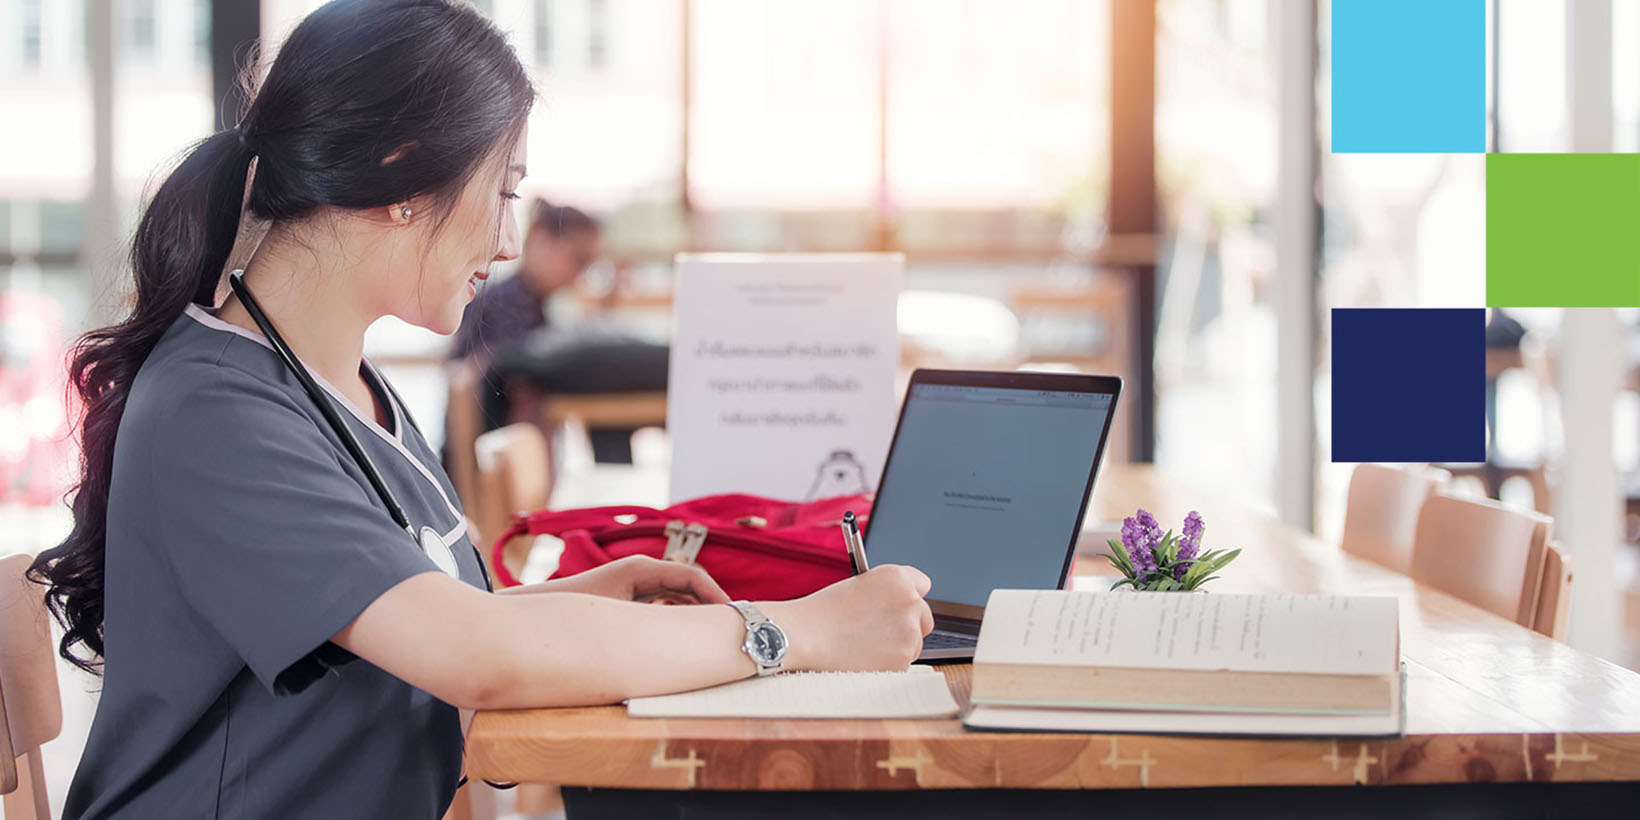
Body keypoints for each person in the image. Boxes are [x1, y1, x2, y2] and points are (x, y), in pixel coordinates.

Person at [26, 2, 932, 818]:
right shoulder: (214, 410)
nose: (507, 239)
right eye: (503, 191)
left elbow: (419, 623)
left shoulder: (346, 388)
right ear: (401, 176)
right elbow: (474, 656)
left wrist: (565, 606)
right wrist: (799, 633)